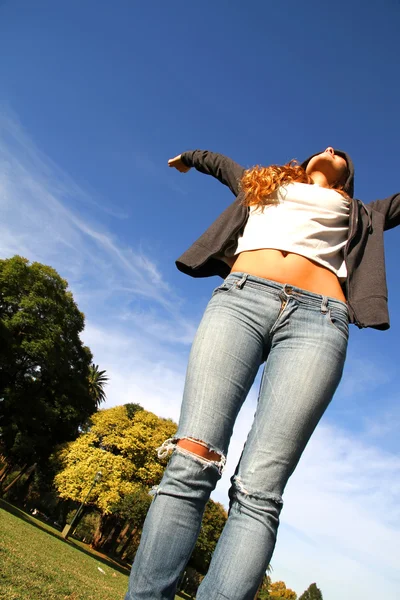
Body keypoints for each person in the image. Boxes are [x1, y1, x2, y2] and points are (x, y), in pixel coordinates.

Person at [125, 147, 399, 600]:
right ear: (304, 161)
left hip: (322, 321)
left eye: (342, 154)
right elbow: (221, 165)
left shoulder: (364, 212)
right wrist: (189, 157)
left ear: (349, 177)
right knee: (191, 461)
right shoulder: (265, 184)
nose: (331, 149)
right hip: (241, 300)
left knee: (260, 493)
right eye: (324, 148)